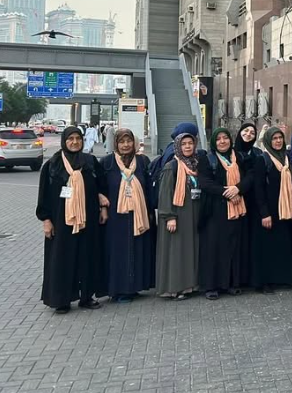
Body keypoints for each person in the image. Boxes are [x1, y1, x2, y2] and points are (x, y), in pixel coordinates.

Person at [37, 127, 108, 313]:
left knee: (87, 257)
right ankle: (62, 300)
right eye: (70, 139)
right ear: (64, 141)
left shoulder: (90, 162)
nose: (75, 142)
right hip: (61, 222)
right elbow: (44, 196)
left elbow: (102, 185)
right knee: (61, 259)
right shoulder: (52, 165)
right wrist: (46, 220)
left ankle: (86, 297)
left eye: (78, 138)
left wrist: (103, 205)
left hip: (88, 220)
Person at [100, 128, 155, 303]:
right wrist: (102, 206)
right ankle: (118, 290)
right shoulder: (107, 163)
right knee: (118, 252)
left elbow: (149, 187)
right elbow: (100, 188)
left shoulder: (142, 161)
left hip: (139, 215)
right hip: (116, 218)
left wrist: (150, 211)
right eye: (121, 142)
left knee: (138, 250)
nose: (126, 145)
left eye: (129, 141)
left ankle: (134, 287)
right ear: (115, 144)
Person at [197, 128, 249, 300]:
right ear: (214, 142)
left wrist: (238, 189)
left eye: (225, 138)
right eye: (218, 139)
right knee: (214, 248)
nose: (222, 141)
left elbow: (250, 177)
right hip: (215, 210)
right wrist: (227, 192)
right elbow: (204, 182)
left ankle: (232, 283)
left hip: (237, 208)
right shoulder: (207, 159)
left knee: (233, 247)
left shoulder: (239, 157)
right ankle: (212, 286)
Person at [250, 127, 292, 293]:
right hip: (269, 210)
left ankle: (281, 278)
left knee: (281, 245)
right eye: (274, 138)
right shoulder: (262, 160)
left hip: (284, 210)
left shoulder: (286, 159)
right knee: (266, 247)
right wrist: (264, 213)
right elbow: (258, 188)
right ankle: (265, 282)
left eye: (280, 138)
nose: (278, 141)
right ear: (268, 141)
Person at [156, 133, 201, 300]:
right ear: (177, 146)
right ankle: (175, 287)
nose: (188, 146)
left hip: (193, 212)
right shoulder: (172, 166)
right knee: (176, 251)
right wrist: (169, 216)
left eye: (190, 143)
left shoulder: (196, 165)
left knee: (190, 250)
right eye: (184, 144)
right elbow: (165, 193)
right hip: (178, 213)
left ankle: (190, 285)